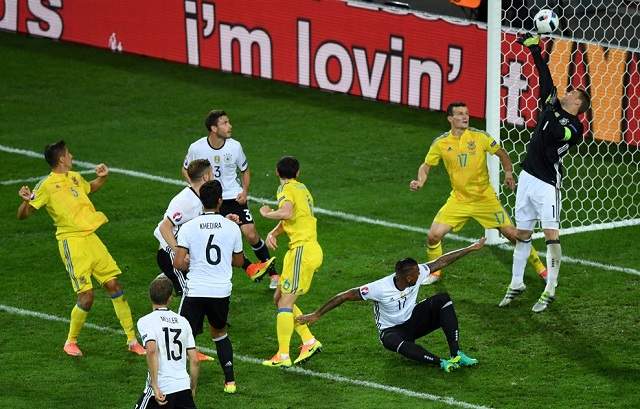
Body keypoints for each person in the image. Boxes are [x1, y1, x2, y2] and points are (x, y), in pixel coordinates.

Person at [17, 140, 145, 357]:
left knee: (114, 284)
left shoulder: (75, 177)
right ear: (61, 159)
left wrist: (102, 178)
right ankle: (70, 341)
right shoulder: (46, 186)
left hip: (91, 238)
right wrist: (24, 201)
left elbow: (90, 188)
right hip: (72, 243)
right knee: (87, 296)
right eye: (68, 154)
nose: (72, 156)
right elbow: (24, 214)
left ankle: (132, 340)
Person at [499, 34, 590, 313]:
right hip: (527, 176)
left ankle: (550, 288)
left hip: (546, 184)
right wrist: (534, 48)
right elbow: (545, 75)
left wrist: (548, 108)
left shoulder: (575, 129)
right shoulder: (552, 105)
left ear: (577, 103)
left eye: (573, 92)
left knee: (551, 236)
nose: (568, 91)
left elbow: (553, 133)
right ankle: (516, 283)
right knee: (523, 234)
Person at [296, 239, 486, 372]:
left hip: (413, 320)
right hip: (393, 330)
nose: (422, 274)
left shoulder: (417, 272)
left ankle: (457, 353)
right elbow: (345, 295)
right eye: (417, 274)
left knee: (442, 299)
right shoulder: (379, 288)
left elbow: (441, 261)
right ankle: (441, 362)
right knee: (390, 341)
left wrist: (470, 248)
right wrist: (317, 314)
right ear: (408, 277)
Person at [409, 101, 547, 284]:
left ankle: (542, 270)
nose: (465, 116)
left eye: (466, 113)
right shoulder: (441, 143)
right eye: (459, 114)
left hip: (484, 199)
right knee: (433, 235)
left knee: (514, 235)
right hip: (459, 199)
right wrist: (420, 181)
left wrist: (508, 173)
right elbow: (426, 166)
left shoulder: (480, 137)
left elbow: (503, 154)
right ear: (450, 118)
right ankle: (435, 272)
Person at [182, 109, 277, 288]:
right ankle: (250, 268)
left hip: (233, 197)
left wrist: (245, 191)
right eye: (224, 123)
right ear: (213, 128)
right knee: (217, 237)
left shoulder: (235, 146)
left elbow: (245, 170)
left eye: (228, 122)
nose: (229, 126)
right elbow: (185, 169)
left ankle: (273, 274)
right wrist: (196, 188)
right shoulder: (197, 147)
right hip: (210, 198)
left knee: (250, 233)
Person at [155, 159, 270, 297]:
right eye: (212, 173)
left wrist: (224, 221)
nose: (215, 176)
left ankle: (167, 277)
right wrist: (180, 252)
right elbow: (164, 228)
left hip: (187, 248)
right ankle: (167, 278)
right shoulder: (186, 200)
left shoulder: (202, 197)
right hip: (171, 252)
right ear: (206, 177)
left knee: (200, 291)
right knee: (190, 294)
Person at [172, 180, 244, 394]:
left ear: (201, 201)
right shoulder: (232, 227)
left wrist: (192, 260)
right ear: (220, 201)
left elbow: (178, 263)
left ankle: (178, 379)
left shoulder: (188, 227)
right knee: (220, 333)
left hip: (195, 291)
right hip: (221, 291)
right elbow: (239, 262)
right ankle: (230, 381)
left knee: (184, 335)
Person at [259, 156, 323, 367]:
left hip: (302, 252)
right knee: (279, 298)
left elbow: (286, 212)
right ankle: (309, 341)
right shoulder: (301, 188)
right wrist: (275, 233)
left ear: (277, 173)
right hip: (300, 250)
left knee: (286, 302)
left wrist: (267, 214)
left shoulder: (285, 190)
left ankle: (283, 356)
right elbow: (294, 216)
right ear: (298, 172)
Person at [134, 275, 199, 409]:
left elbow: (151, 350)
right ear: (170, 298)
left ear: (150, 296)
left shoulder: (146, 321)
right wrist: (192, 388)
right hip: (183, 387)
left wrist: (155, 386)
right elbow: (194, 360)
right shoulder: (183, 322)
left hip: (162, 389)